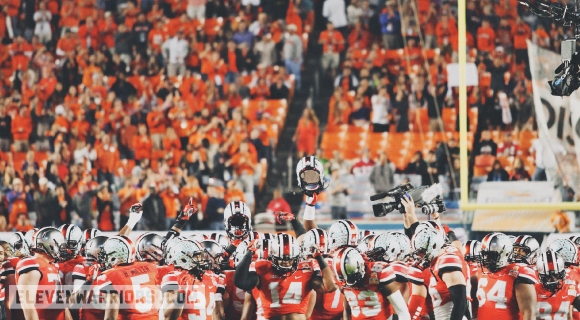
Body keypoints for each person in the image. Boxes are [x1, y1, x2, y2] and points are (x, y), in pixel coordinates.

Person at [234, 233, 338, 320]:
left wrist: (319, 257)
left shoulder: (307, 268)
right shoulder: (263, 268)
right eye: (282, 259)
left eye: (290, 260)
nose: (286, 263)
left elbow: (330, 287)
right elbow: (240, 282)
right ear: (273, 257)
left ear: (297, 257)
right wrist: (249, 253)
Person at [95, 236, 159, 320]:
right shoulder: (150, 267)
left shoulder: (109, 275)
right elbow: (158, 300)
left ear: (114, 257)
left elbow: (111, 315)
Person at [476, 233, 537, 320]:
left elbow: (529, 314)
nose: (486, 258)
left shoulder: (518, 273)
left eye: (491, 255)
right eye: (484, 254)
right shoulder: (480, 270)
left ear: (506, 254)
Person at [16, 228, 66, 320]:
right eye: (60, 246)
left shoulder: (51, 266)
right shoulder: (32, 264)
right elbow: (27, 305)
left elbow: (62, 304)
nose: (62, 249)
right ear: (50, 245)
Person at [283, 24, 303, 90]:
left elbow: (299, 48)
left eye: (289, 30)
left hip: (294, 59)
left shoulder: (297, 38)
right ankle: (290, 90)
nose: (288, 31)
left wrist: (296, 57)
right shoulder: (288, 37)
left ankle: (297, 90)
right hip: (287, 59)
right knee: (288, 76)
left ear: (293, 30)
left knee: (296, 75)